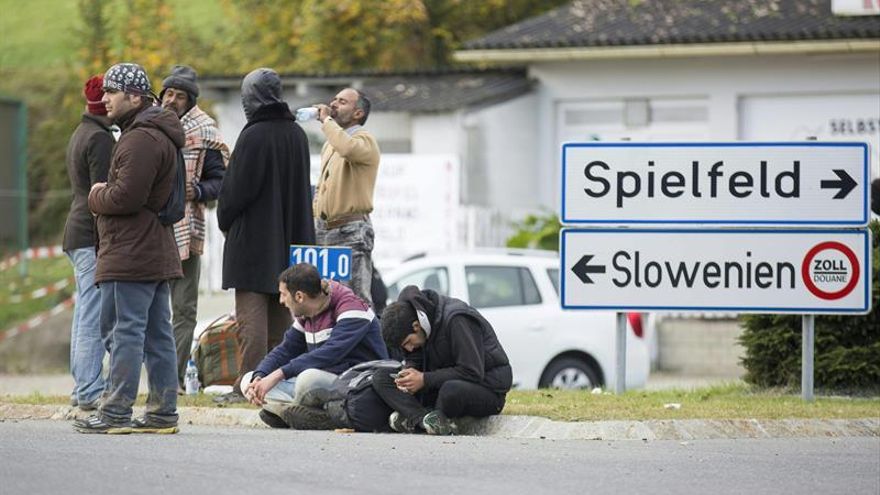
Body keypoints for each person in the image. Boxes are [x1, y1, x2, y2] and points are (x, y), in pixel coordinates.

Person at [76, 63, 184, 434]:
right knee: (156, 336)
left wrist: (96, 195)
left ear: (135, 96)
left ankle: (115, 411)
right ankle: (161, 413)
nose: (104, 98)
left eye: (112, 91)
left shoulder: (140, 139)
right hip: (152, 249)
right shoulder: (154, 134)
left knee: (123, 331)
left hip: (132, 252)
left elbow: (126, 197)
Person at [216, 68, 315, 404]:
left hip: (253, 241)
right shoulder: (297, 135)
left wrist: (224, 219)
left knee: (251, 319)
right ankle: (275, 386)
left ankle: (246, 386)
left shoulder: (253, 135)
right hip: (291, 238)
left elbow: (234, 193)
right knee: (282, 317)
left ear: (253, 98)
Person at [241, 263, 388, 429]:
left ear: (299, 297)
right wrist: (260, 376)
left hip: (356, 385)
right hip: (326, 382)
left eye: (283, 295)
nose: (281, 301)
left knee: (308, 379)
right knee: (248, 381)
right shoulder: (306, 313)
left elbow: (330, 353)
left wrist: (277, 375)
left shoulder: (351, 308)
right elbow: (285, 350)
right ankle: (301, 413)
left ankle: (287, 412)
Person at [159, 65, 229, 391]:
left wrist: (198, 191)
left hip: (188, 228)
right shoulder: (147, 124)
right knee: (146, 309)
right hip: (150, 230)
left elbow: (220, 181)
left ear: (191, 101)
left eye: (180, 95)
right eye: (169, 93)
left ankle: (170, 381)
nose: (172, 100)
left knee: (183, 310)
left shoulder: (206, 131)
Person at [372, 285, 513, 435]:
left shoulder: (457, 319)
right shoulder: (413, 322)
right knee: (381, 378)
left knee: (450, 390)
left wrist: (424, 379)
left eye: (408, 342)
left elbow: (472, 372)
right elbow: (415, 356)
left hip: (484, 389)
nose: (409, 349)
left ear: (416, 326)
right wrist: (409, 373)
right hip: (439, 383)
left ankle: (415, 419)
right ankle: (423, 420)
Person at [62, 74, 114, 411]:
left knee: (84, 313)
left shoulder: (81, 132)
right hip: (90, 234)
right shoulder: (100, 139)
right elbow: (102, 195)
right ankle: (90, 390)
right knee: (93, 316)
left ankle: (82, 386)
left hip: (75, 231)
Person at [312, 88, 380, 306]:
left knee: (355, 303)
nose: (333, 104)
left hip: (350, 231)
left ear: (358, 113)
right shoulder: (330, 143)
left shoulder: (364, 140)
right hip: (325, 231)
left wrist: (326, 121)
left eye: (342, 102)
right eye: (334, 99)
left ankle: (364, 341)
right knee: (325, 301)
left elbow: (348, 148)